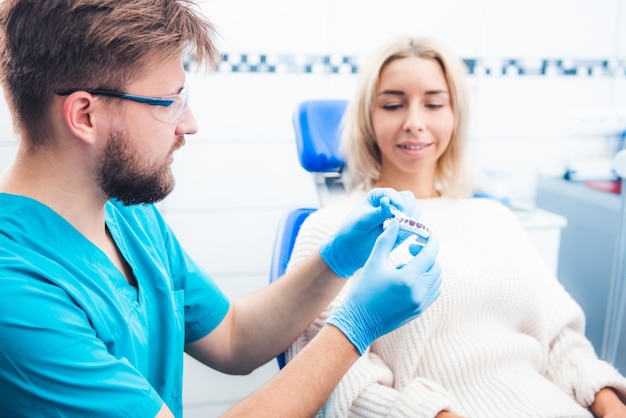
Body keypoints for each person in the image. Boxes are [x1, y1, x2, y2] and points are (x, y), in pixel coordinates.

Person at [0, 3, 444, 417]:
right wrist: (355, 328)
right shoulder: (16, 292)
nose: (189, 124)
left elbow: (234, 337)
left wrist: (337, 261)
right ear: (84, 116)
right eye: (169, 102)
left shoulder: (127, 215)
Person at [284, 34, 626, 417]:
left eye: (434, 104)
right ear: (368, 117)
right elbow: (337, 384)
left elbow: (560, 341)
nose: (415, 123)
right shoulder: (330, 231)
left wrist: (610, 406)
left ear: (455, 115)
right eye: (393, 104)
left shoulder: (495, 217)